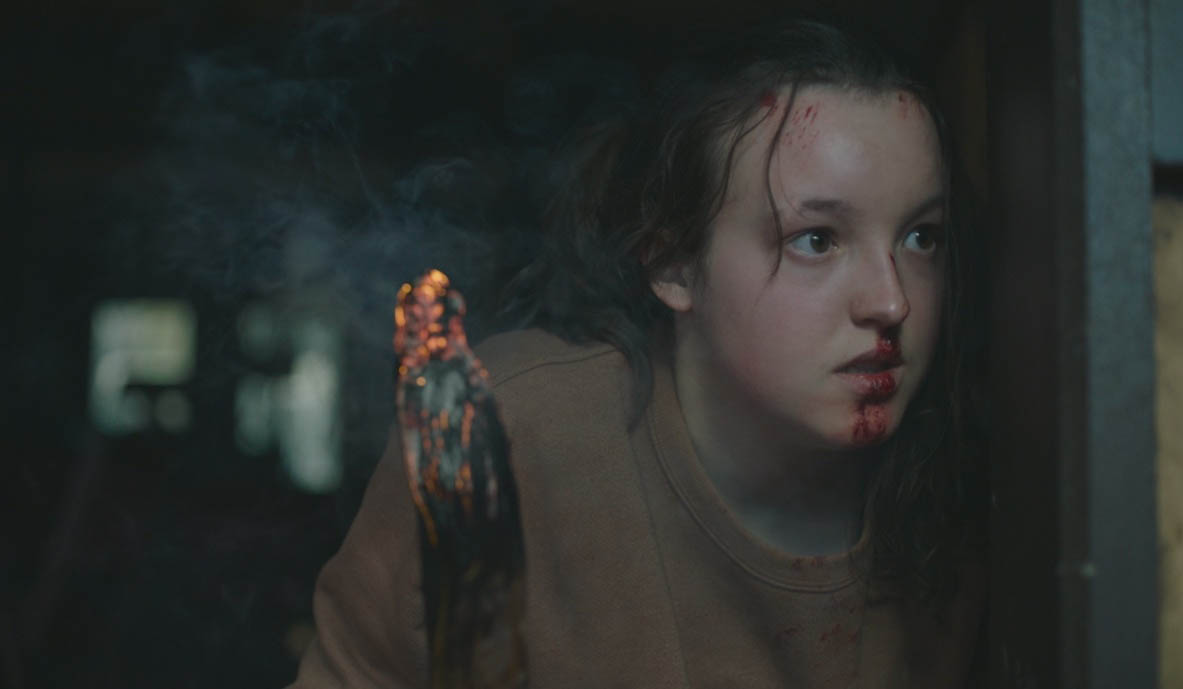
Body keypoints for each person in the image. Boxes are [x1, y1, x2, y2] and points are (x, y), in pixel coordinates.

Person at [290, 18, 987, 688]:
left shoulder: (966, 482)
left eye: (920, 237)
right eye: (817, 240)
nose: (892, 301)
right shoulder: (502, 435)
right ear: (673, 264)